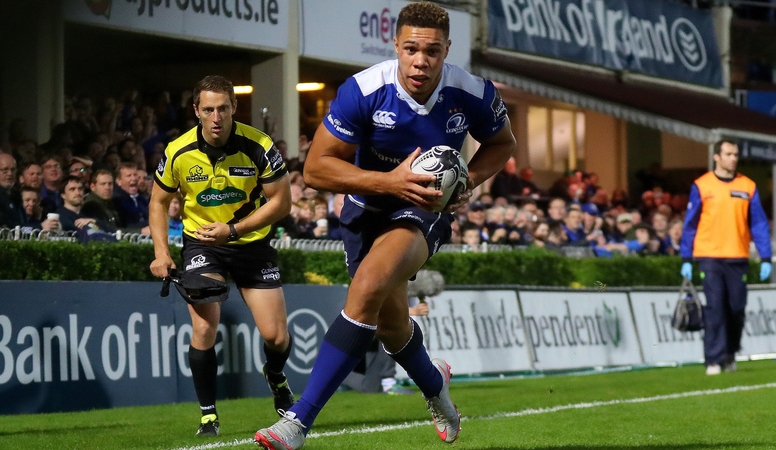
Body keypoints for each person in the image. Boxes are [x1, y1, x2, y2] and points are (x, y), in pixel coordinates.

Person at [254, 3, 516, 449]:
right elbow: (315, 169)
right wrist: (389, 181)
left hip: (423, 211)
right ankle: (436, 385)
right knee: (392, 326)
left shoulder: (472, 92)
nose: (420, 61)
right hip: (365, 209)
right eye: (411, 49)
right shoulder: (363, 90)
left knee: (368, 285)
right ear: (395, 45)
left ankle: (298, 422)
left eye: (432, 51)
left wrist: (468, 179)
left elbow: (502, 143)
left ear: (447, 50)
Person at [149, 75, 296, 437]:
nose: (216, 118)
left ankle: (275, 375)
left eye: (223, 109)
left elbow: (282, 202)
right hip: (202, 245)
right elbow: (158, 202)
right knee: (203, 326)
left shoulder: (259, 145)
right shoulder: (178, 151)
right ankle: (208, 416)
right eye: (208, 110)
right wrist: (161, 253)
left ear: (234, 108)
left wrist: (233, 230)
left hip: (251, 243)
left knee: (277, 337)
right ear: (196, 110)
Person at [680, 140, 772, 376]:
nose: (733, 159)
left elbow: (758, 223)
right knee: (715, 307)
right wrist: (686, 257)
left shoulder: (748, 186)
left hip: (737, 256)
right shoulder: (702, 185)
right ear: (717, 157)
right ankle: (713, 359)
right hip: (709, 256)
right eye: (729, 154)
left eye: (736, 154)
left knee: (736, 309)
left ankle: (730, 352)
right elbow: (690, 223)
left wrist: (766, 256)